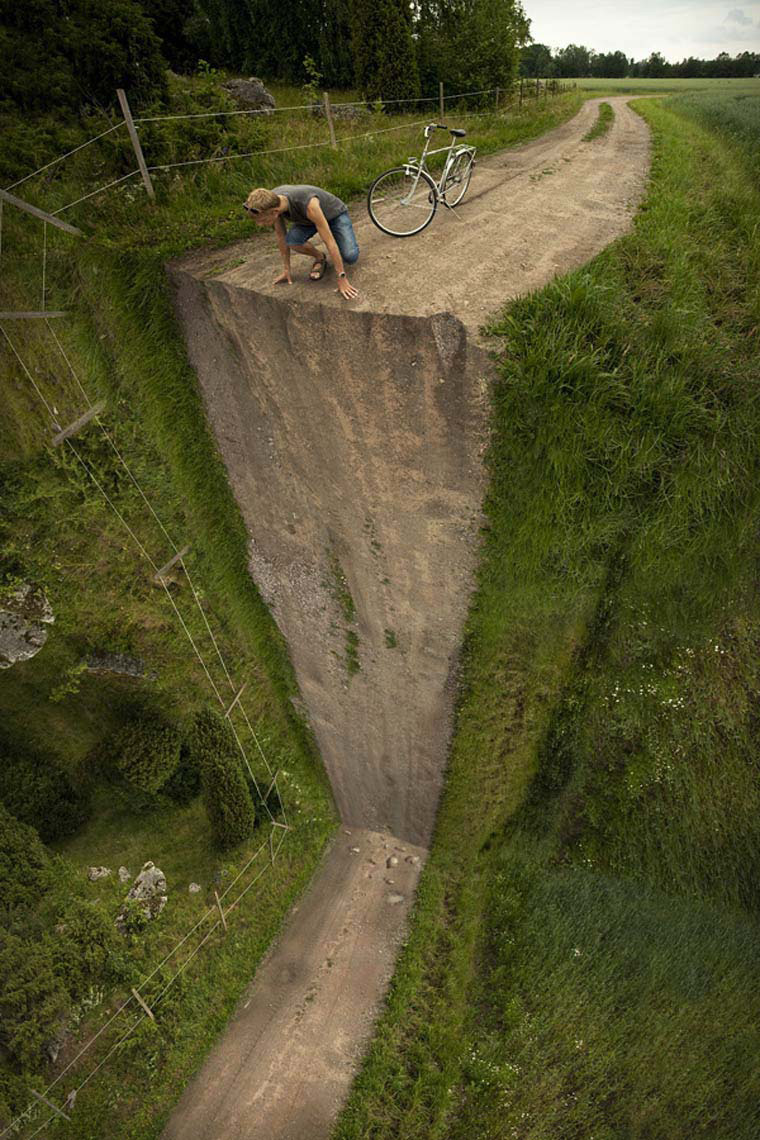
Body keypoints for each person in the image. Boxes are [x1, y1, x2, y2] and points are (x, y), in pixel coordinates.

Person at [244, 184, 359, 300]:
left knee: (350, 256)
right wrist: (286, 269)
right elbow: (281, 236)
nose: (260, 224)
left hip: (334, 215)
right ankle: (320, 257)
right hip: (308, 221)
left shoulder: (308, 204)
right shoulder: (271, 202)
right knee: (292, 241)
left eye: (263, 220)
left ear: (275, 212)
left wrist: (342, 278)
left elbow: (329, 242)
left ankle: (340, 233)